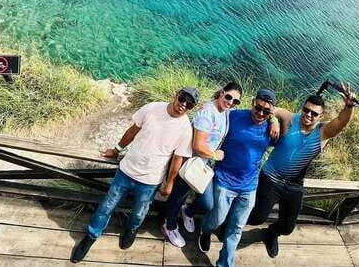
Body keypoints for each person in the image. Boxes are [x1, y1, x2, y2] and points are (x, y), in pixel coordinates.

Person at [70, 87, 198, 263]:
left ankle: (131, 230)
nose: (184, 104)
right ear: (176, 94)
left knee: (139, 214)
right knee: (106, 207)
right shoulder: (153, 108)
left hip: (151, 180)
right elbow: (132, 130)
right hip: (126, 170)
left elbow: (177, 160)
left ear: (191, 108)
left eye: (189, 104)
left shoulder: (185, 129)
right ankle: (91, 236)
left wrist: (169, 183)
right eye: (183, 98)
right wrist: (116, 150)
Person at [247, 83, 357, 258]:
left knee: (287, 228)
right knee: (256, 217)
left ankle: (271, 233)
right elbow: (272, 109)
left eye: (314, 113)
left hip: (294, 185)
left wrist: (349, 106)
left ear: (321, 116)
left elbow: (341, 122)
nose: (309, 115)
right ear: (302, 108)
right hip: (271, 177)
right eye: (306, 110)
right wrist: (274, 120)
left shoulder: (323, 132)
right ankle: (229, 223)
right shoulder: (291, 119)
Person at [197, 88, 278, 267]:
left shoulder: (271, 129)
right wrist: (206, 106)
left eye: (266, 111)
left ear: (272, 110)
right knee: (217, 219)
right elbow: (215, 111)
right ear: (253, 103)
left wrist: (274, 120)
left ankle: (225, 263)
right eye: (258, 108)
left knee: (237, 228)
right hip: (224, 179)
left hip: (249, 185)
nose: (261, 113)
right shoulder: (233, 116)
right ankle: (205, 230)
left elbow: (292, 127)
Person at [161, 81, 244, 247]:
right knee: (178, 196)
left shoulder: (226, 111)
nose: (230, 102)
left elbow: (244, 114)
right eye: (228, 97)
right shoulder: (208, 113)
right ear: (221, 93)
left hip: (202, 164)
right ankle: (169, 226)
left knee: (207, 203)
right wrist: (215, 155)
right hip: (188, 161)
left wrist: (272, 119)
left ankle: (188, 211)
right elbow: (198, 146)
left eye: (235, 101)